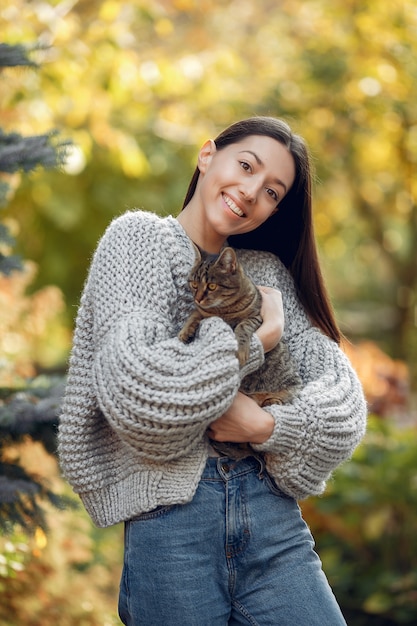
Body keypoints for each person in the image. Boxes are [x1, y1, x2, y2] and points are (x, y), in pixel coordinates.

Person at [58, 116, 367, 625]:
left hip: (274, 525)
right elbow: (141, 397)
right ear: (207, 156)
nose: (250, 192)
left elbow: (343, 405)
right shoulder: (136, 242)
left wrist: (267, 426)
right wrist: (258, 342)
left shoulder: (267, 274)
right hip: (172, 528)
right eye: (245, 166)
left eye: (272, 191)